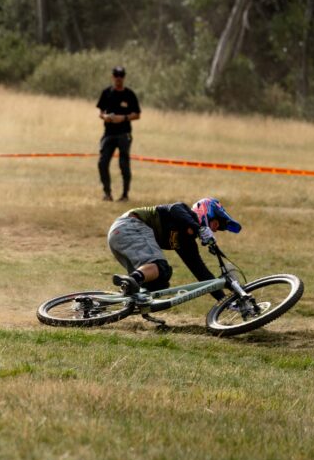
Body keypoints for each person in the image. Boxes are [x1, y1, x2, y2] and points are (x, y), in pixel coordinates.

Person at [107, 197, 241, 298]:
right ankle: (130, 282)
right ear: (207, 211)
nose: (215, 230)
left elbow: (202, 274)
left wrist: (223, 300)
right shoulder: (182, 210)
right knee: (159, 266)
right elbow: (175, 210)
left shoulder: (186, 241)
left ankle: (128, 301)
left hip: (119, 236)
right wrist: (198, 228)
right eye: (216, 224)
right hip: (130, 226)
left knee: (159, 281)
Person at [96, 65, 141, 202]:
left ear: (124, 77)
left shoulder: (129, 94)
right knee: (102, 163)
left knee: (124, 164)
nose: (118, 78)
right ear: (112, 77)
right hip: (108, 133)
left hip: (124, 134)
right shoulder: (106, 93)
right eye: (116, 75)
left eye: (121, 76)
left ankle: (125, 195)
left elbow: (137, 114)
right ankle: (107, 193)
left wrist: (124, 118)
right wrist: (106, 117)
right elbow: (100, 113)